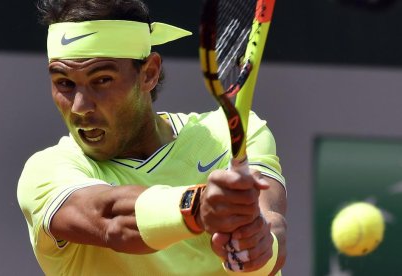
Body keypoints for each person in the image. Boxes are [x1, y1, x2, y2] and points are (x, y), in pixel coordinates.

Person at [17, 0, 287, 275]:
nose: (80, 106)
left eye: (101, 80)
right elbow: (110, 218)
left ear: (149, 73)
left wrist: (258, 246)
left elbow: (271, 224)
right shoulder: (46, 172)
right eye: (64, 83)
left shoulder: (236, 132)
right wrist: (198, 206)